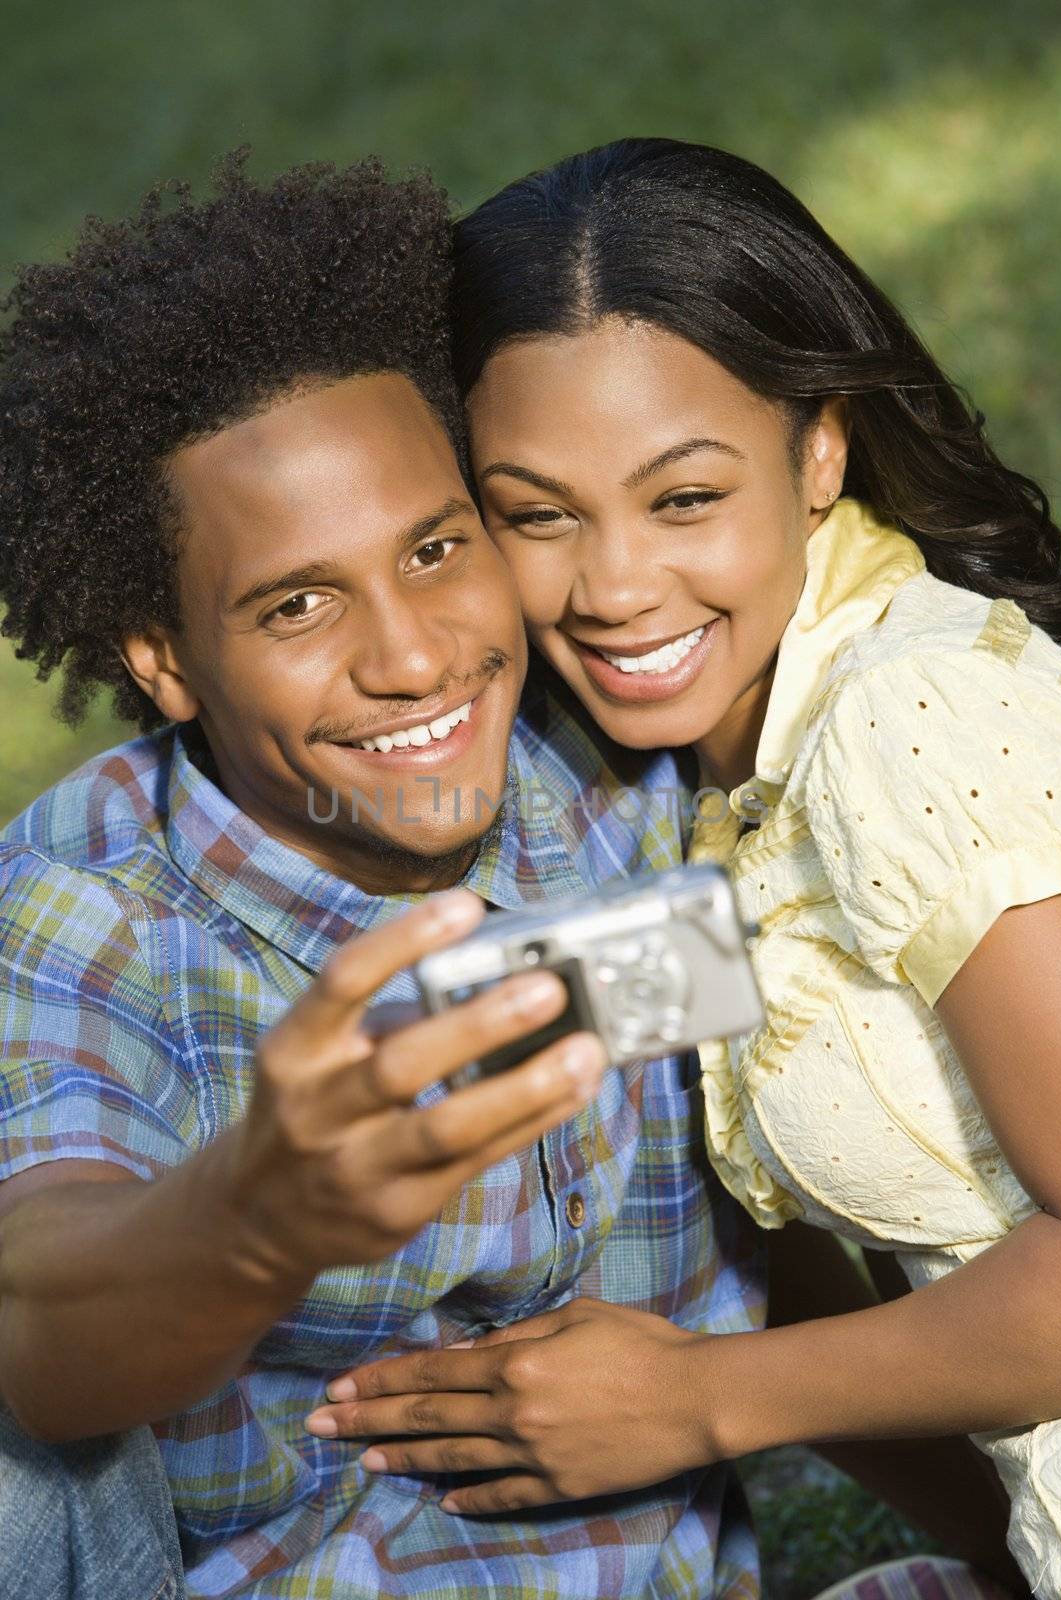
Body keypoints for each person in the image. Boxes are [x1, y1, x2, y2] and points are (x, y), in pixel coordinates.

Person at [0, 152, 766, 1600]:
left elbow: (820, 1147)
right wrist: (255, 1216)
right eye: (296, 605)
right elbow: (42, 1330)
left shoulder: (621, 773)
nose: (413, 658)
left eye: (435, 549)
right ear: (161, 660)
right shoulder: (87, 912)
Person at [317, 138, 1061, 1598]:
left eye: (683, 499)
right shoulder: (700, 783)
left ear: (823, 448)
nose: (612, 590)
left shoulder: (903, 721)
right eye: (536, 514)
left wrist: (698, 1398)